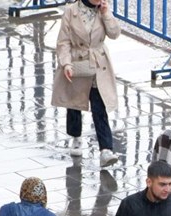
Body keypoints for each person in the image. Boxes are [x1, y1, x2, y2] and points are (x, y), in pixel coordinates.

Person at [52, 0, 121, 167]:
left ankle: (106, 149)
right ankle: (76, 136)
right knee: (75, 103)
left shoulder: (102, 10)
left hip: (98, 64)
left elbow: (114, 34)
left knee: (99, 105)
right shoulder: (71, 11)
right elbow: (63, 42)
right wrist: (66, 63)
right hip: (77, 62)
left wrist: (106, 14)